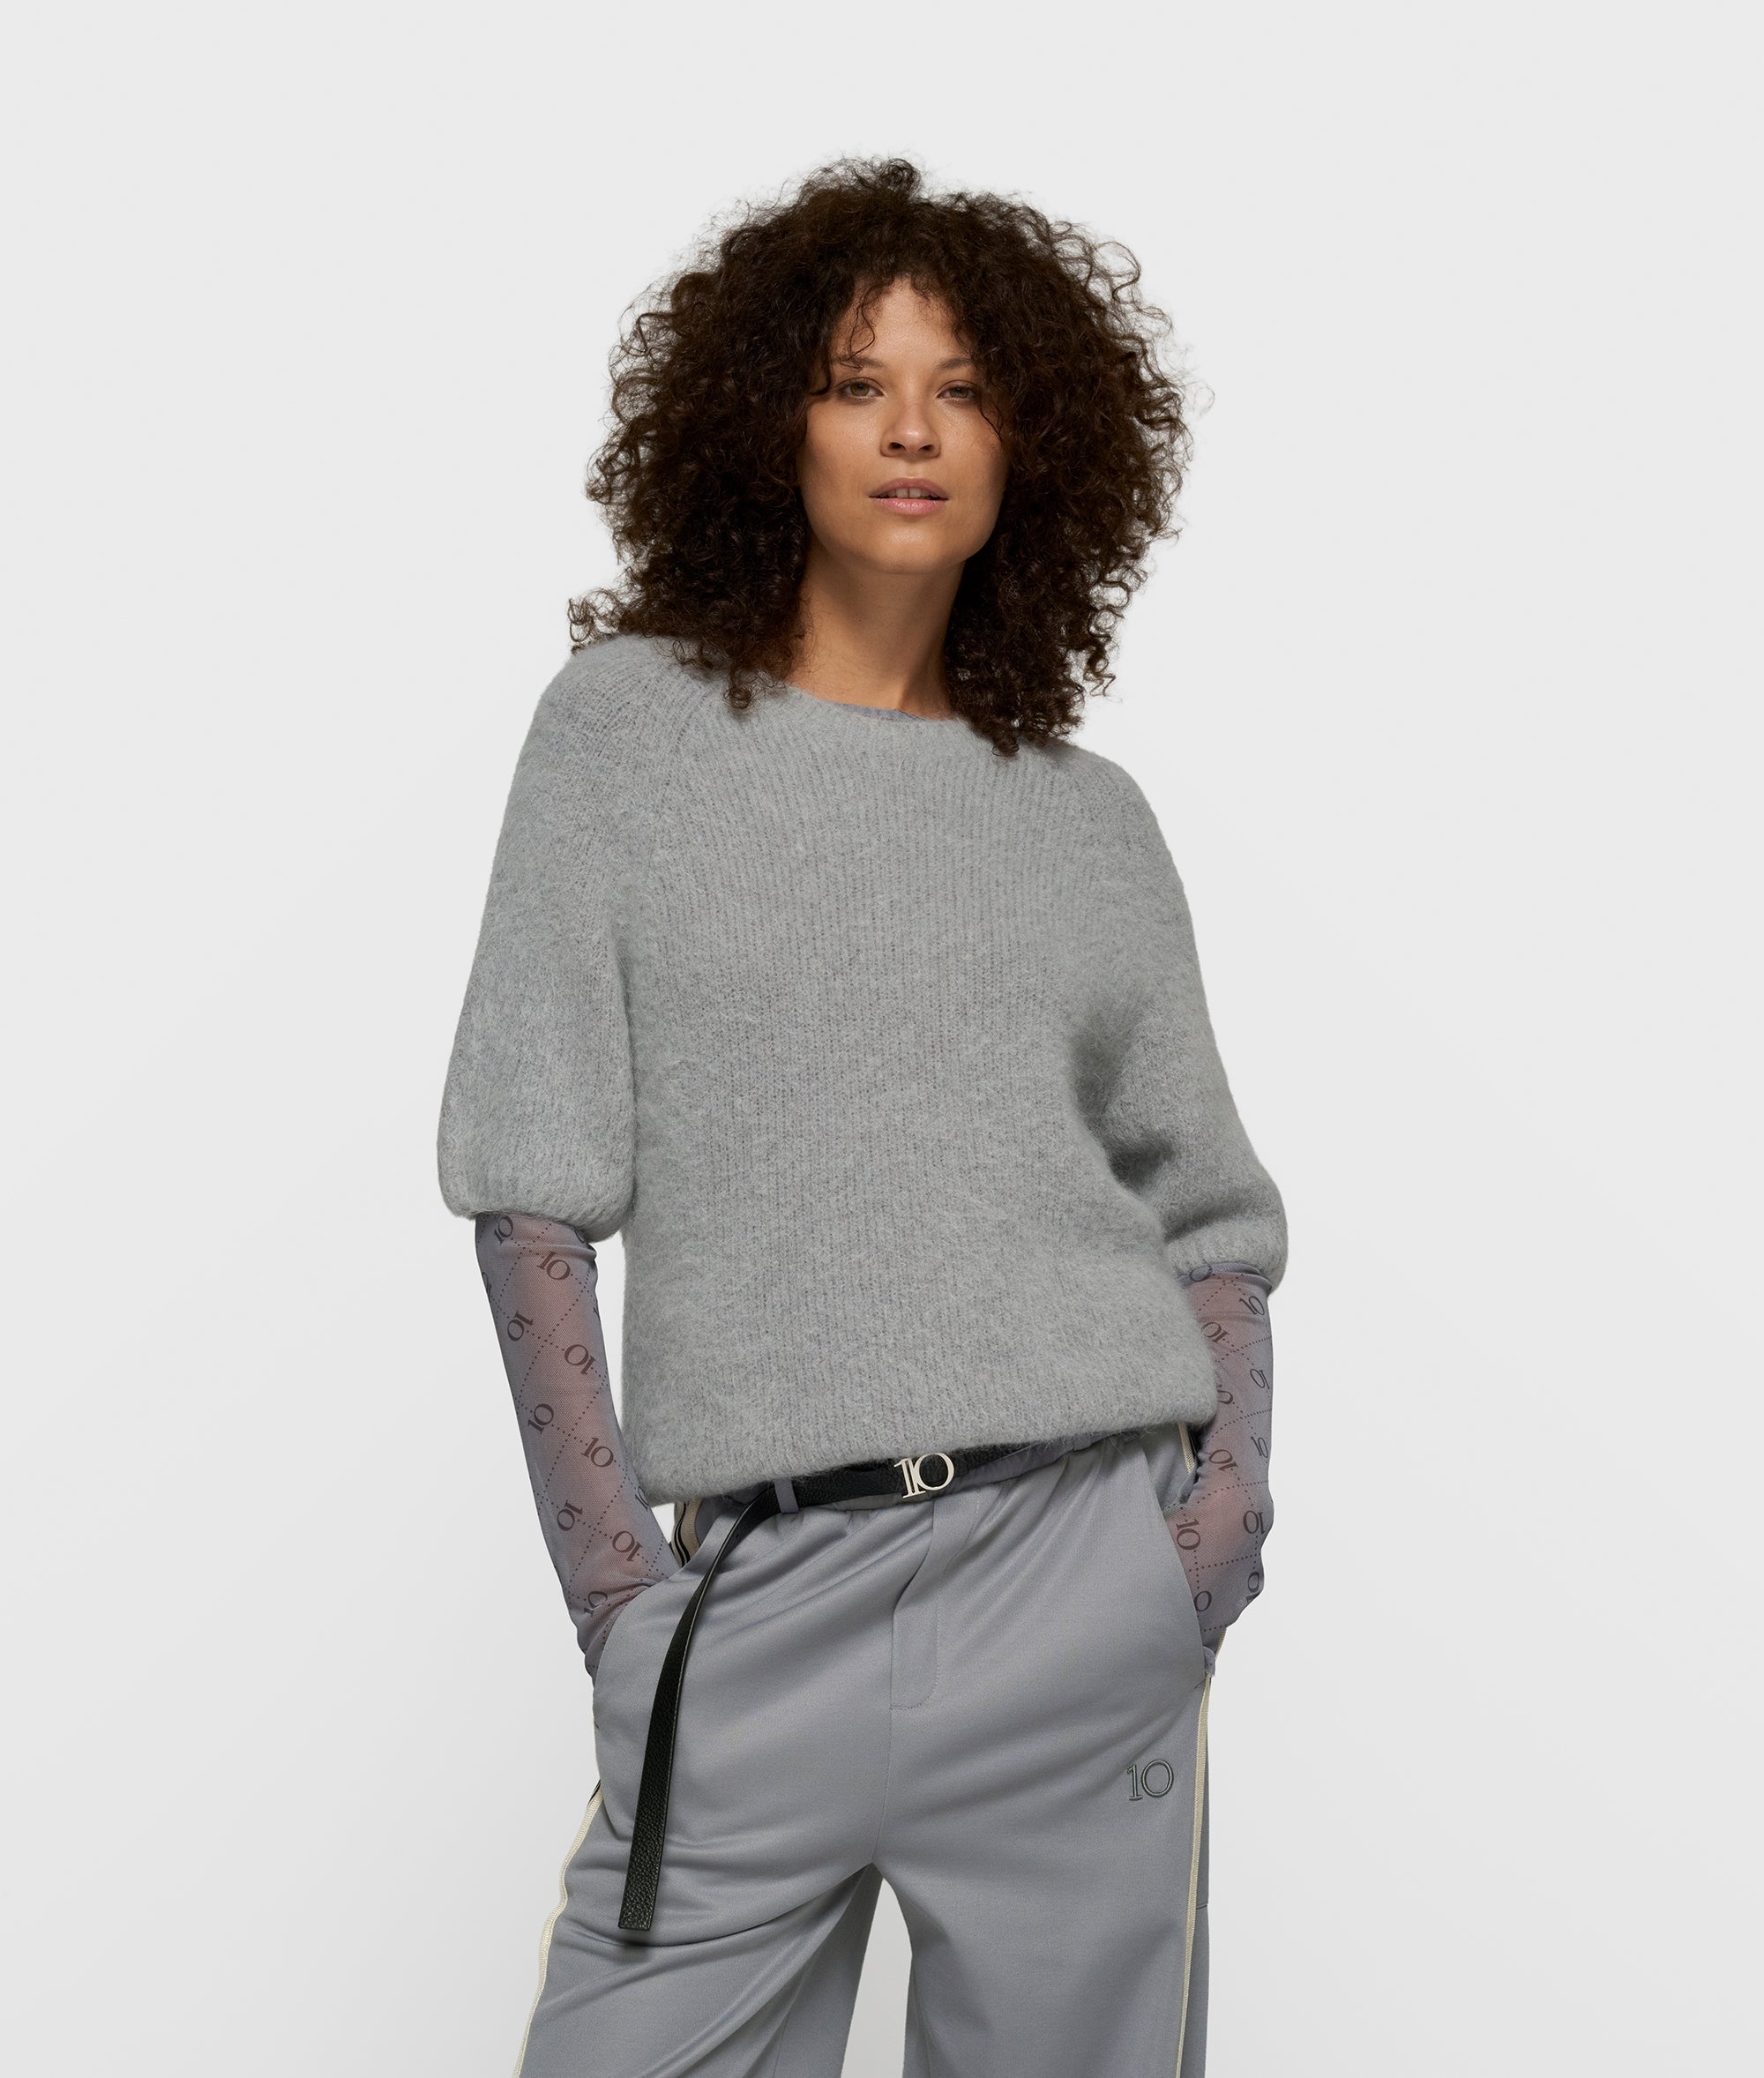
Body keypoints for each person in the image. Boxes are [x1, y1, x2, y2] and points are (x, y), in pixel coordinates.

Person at [438, 157, 1286, 2078]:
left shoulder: (1088, 819)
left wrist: (1213, 1528)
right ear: (770, 425)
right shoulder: (623, 734)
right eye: (855, 380)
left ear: (1029, 444)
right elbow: (528, 1195)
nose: (912, 428)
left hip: (1080, 1576)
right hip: (763, 1600)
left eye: (963, 388)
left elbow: (1210, 1218)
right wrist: (620, 1602)